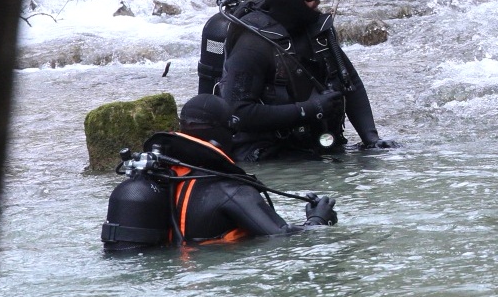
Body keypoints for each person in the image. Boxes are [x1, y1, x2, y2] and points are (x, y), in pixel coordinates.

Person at [101, 94, 337, 252]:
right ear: (226, 134)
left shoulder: (159, 174)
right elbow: (283, 238)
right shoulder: (232, 190)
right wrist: (318, 219)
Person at [218, 0, 391, 160]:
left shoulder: (318, 30)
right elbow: (237, 113)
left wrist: (371, 140)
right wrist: (310, 109)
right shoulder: (253, 45)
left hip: (317, 146)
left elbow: (350, 82)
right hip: (267, 155)